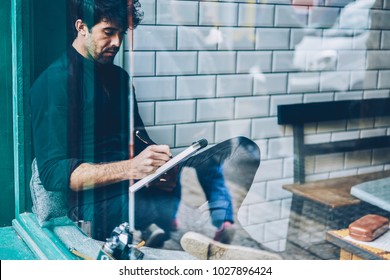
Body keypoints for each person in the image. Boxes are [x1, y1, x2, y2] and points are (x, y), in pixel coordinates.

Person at [29, 0, 261, 248]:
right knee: (200, 225)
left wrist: (162, 167)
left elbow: (138, 138)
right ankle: (215, 230)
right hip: (98, 206)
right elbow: (54, 173)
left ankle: (217, 225)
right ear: (81, 27)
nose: (117, 42)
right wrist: (132, 168)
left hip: (143, 185)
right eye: (108, 32)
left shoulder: (120, 78)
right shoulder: (54, 83)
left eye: (121, 33)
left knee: (243, 150)